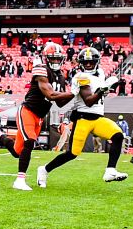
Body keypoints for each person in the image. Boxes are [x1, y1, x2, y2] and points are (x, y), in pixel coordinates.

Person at [37, 47, 127, 187]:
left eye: (91, 62)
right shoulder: (81, 77)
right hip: (83, 119)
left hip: (97, 119)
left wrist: (107, 88)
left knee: (118, 136)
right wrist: (103, 88)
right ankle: (44, 169)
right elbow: (89, 101)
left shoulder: (101, 73)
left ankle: (110, 170)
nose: (88, 65)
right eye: (85, 62)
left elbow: (100, 96)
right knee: (72, 153)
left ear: (97, 62)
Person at [4, 42, 74, 191]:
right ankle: (20, 180)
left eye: (57, 59)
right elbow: (50, 94)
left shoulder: (60, 77)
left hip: (40, 117)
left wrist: (74, 94)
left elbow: (60, 103)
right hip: (27, 111)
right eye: (52, 59)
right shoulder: (41, 69)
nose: (55, 62)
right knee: (30, 141)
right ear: (46, 59)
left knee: (17, 152)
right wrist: (74, 92)